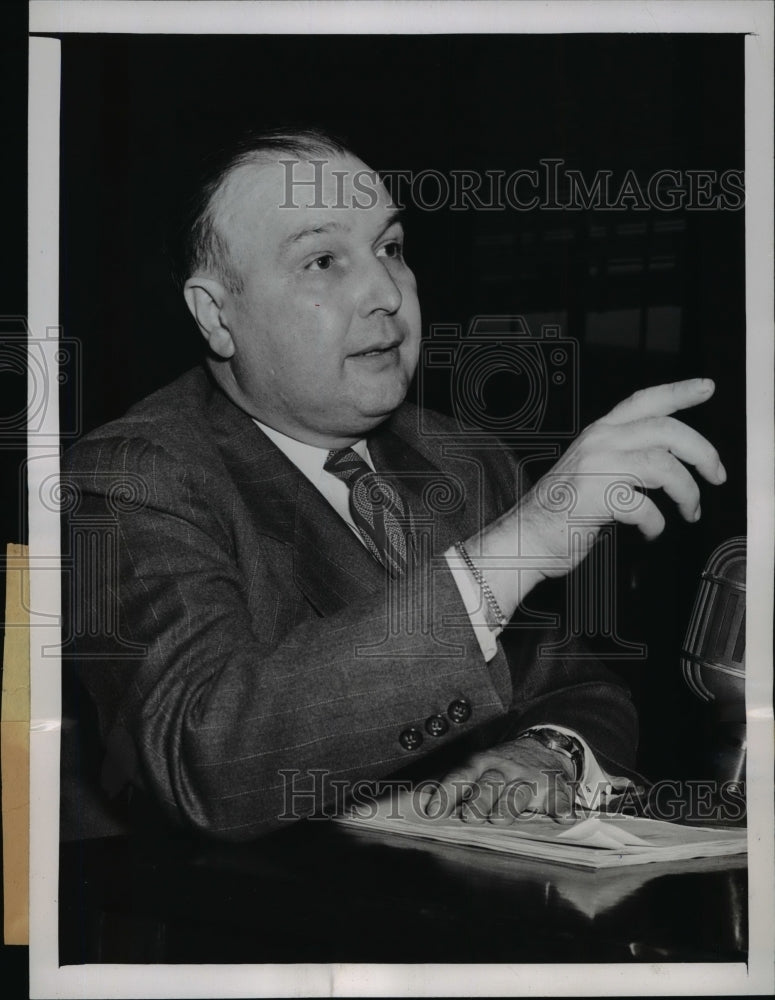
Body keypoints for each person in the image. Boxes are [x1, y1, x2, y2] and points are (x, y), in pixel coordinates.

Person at [61, 129, 726, 842]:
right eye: (322, 260)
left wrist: (549, 752)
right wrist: (520, 544)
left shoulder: (462, 459)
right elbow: (205, 759)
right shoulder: (134, 477)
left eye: (391, 249)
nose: (385, 293)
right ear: (217, 314)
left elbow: (577, 686)